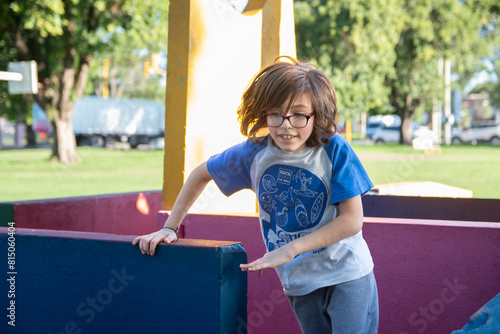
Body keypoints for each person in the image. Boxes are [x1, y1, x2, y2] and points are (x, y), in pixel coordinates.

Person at [133, 56, 379, 334]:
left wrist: (289, 250)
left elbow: (352, 220)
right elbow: (200, 174)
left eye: (299, 115)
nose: (286, 126)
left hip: (347, 272)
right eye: (276, 114)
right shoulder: (253, 155)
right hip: (299, 280)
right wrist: (169, 227)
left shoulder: (333, 148)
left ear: (316, 113)